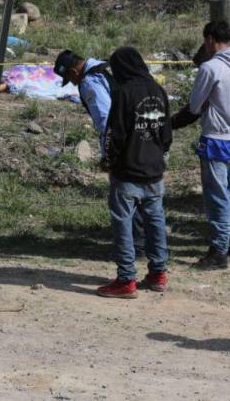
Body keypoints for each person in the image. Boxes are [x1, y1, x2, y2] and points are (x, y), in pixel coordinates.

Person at [54, 49, 146, 254]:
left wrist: (108, 154)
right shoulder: (107, 68)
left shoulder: (89, 82)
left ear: (72, 72)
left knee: (123, 196)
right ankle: (148, 242)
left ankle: (134, 246)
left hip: (122, 143)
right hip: (144, 136)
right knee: (143, 193)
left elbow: (106, 121)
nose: (73, 83)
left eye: (69, 78)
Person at [98, 46, 171, 298]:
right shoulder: (158, 90)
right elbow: (166, 134)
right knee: (155, 222)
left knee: (123, 224)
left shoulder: (123, 92)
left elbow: (113, 133)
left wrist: (108, 160)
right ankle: (158, 274)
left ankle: (126, 279)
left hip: (127, 170)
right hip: (154, 170)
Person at [188, 21, 230, 269]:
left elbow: (194, 105)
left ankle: (219, 248)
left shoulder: (210, 68)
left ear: (211, 39)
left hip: (214, 136)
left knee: (217, 194)